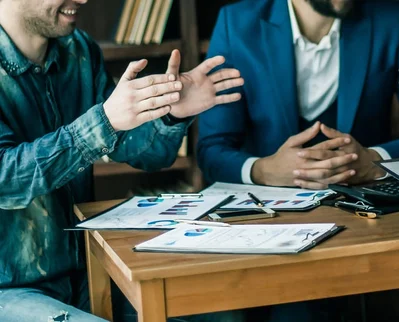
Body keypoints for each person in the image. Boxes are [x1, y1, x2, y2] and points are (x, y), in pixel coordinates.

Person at [0, 0, 245, 321]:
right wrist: (104, 121)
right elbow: (7, 180)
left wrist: (170, 113)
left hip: (90, 271)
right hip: (10, 290)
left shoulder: (79, 51)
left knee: (219, 313)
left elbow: (147, 153)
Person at [197, 0, 399, 189]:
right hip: (269, 211)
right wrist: (263, 171)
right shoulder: (236, 25)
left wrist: (376, 161)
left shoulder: (394, 18)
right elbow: (212, 151)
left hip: (369, 203)